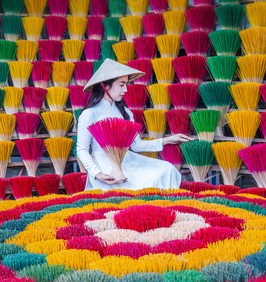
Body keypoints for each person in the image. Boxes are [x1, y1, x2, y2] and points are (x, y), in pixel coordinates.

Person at [76, 58, 194, 191]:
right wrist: (97, 173)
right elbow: (82, 149)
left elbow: (136, 145)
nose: (126, 89)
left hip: (128, 161)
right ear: (105, 85)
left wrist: (167, 140)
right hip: (105, 167)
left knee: (166, 169)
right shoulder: (89, 114)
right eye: (121, 85)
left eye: (126, 84)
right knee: (144, 182)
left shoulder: (125, 112)